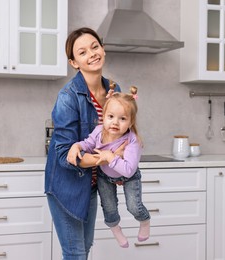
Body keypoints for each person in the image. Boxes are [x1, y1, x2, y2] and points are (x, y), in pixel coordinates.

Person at [44, 27, 123, 260]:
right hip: (66, 185)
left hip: (91, 184)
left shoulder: (114, 90)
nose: (92, 54)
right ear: (74, 62)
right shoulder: (68, 96)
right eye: (82, 52)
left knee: (85, 249)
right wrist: (105, 158)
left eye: (95, 46)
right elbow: (62, 155)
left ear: (103, 49)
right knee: (75, 253)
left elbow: (117, 135)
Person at [67, 86, 151, 248]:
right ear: (103, 117)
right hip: (105, 176)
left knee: (134, 207)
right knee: (109, 208)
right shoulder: (99, 131)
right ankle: (115, 229)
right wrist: (76, 146)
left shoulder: (133, 140)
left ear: (131, 122)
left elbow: (128, 170)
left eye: (122, 119)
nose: (115, 122)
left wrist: (109, 156)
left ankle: (145, 221)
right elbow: (88, 144)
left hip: (129, 176)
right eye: (111, 116)